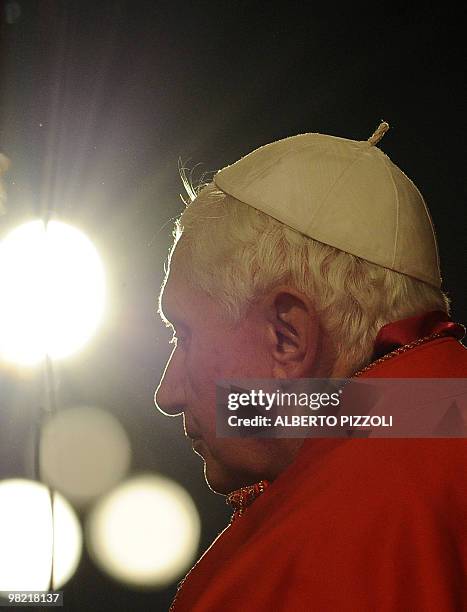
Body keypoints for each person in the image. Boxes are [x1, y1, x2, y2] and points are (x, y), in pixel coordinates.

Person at [154, 122, 467, 611]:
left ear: (287, 337)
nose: (167, 394)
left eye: (186, 335)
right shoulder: (438, 414)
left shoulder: (301, 562)